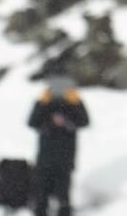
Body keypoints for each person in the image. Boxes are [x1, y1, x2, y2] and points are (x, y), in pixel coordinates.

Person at [27, 79, 90, 216]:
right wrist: (42, 103)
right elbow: (32, 122)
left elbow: (84, 121)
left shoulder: (72, 104)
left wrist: (76, 102)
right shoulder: (45, 104)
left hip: (65, 157)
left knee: (63, 196)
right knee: (41, 196)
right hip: (46, 157)